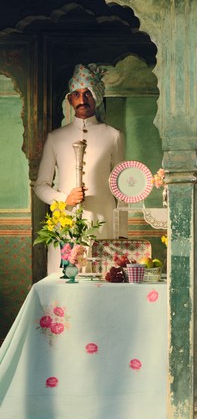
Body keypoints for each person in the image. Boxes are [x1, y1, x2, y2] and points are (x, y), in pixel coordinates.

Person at [34, 64, 125, 272]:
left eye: (87, 94)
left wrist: (121, 234)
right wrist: (64, 199)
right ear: (70, 100)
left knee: (103, 279)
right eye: (76, 94)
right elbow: (40, 185)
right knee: (65, 280)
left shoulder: (113, 136)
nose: (82, 100)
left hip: (103, 223)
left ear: (97, 97)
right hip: (66, 223)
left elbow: (122, 190)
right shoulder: (55, 137)